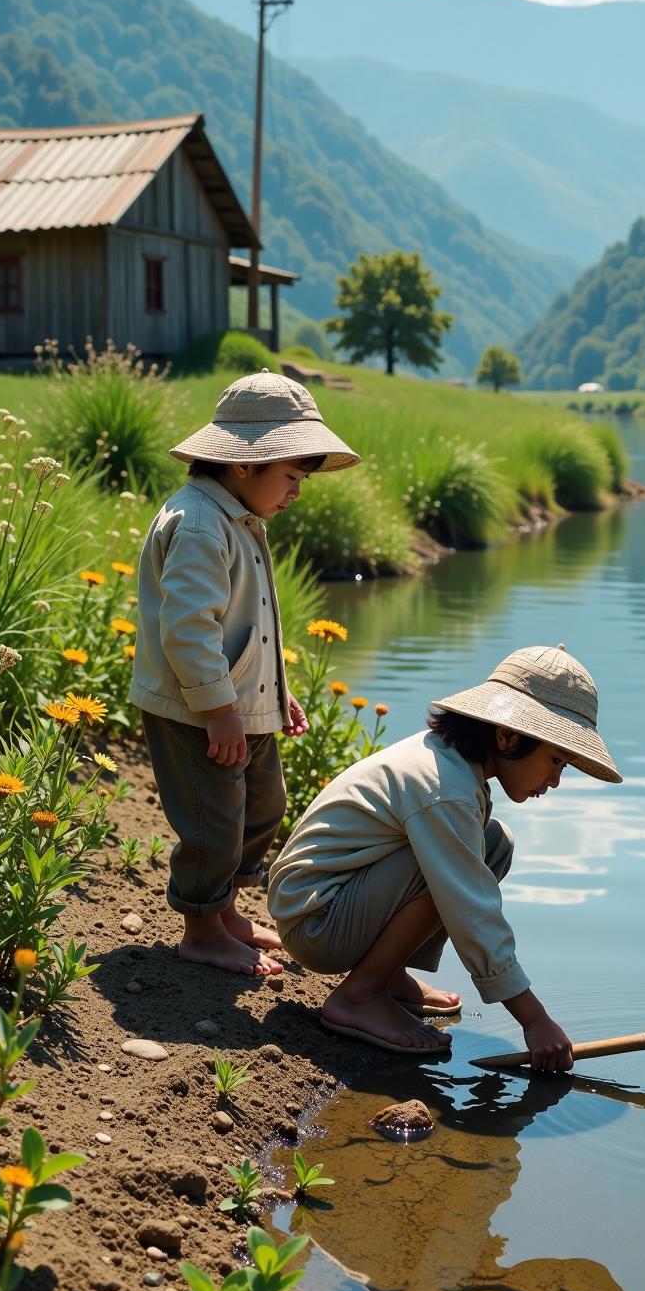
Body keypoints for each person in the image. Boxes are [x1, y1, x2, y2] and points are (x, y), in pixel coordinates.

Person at [267, 643, 621, 1067]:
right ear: (506, 736)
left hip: (333, 902)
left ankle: (386, 974)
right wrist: (534, 1019)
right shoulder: (445, 787)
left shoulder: (450, 762)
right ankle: (361, 995)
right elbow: (471, 908)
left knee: (493, 842)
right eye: (555, 761)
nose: (555, 781)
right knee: (456, 865)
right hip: (318, 920)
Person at [130, 369, 359, 977]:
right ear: (242, 465)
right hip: (198, 708)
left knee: (263, 805)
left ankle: (227, 908)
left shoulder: (235, 516)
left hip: (239, 705)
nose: (296, 493)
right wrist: (220, 708)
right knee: (214, 818)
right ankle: (202, 927)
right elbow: (190, 627)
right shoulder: (201, 522)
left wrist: (274, 696)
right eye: (290, 477)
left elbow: (251, 624)